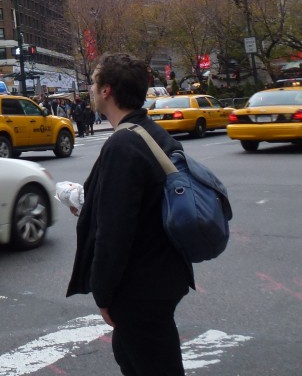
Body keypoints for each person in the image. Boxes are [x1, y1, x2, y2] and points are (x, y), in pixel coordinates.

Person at [66, 53, 194, 376]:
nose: (90, 89)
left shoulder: (122, 145)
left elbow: (114, 232)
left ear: (106, 90)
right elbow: (144, 205)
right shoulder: (153, 134)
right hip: (165, 273)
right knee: (137, 358)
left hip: (139, 286)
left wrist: (102, 293)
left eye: (93, 83)